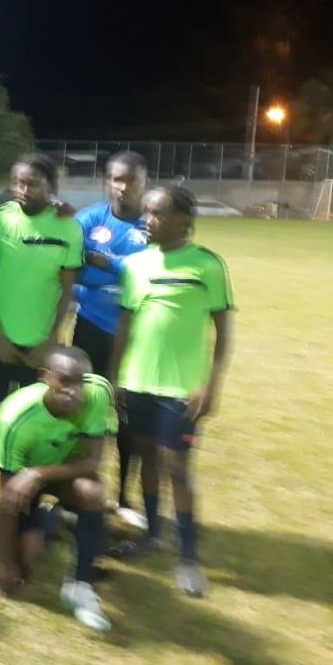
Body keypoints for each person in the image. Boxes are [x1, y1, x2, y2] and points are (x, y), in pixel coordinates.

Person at [107, 185, 233, 597]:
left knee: (177, 468)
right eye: (146, 212)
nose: (147, 220)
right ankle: (152, 536)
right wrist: (116, 377)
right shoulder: (135, 264)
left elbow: (224, 331)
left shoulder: (207, 264)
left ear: (183, 219)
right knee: (147, 457)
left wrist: (210, 386)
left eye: (157, 213)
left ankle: (188, 558)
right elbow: (126, 324)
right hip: (137, 383)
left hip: (181, 388)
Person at [0, 345, 115, 631]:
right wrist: (5, 561)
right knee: (28, 561)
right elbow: (7, 498)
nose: (74, 391)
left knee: (93, 492)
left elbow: (93, 462)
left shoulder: (97, 395)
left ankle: (81, 583)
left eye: (80, 382)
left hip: (62, 473)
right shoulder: (14, 417)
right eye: (64, 381)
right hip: (22, 487)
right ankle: (50, 519)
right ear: (45, 377)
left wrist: (37, 473)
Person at [73, 151, 148, 526]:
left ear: (144, 181)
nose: (123, 186)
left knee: (128, 417)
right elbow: (73, 269)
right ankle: (78, 489)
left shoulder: (154, 223)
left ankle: (124, 495)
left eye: (131, 179)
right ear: (107, 181)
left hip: (135, 335)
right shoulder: (88, 219)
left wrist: (109, 264)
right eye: (117, 179)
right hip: (90, 327)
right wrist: (119, 271)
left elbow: (150, 274)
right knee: (83, 409)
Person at [0, 153, 83, 403]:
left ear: (50, 186)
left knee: (37, 412)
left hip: (40, 345)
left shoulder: (69, 227)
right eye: (17, 183)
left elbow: (66, 289)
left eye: (32, 184)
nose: (23, 190)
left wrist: (50, 340)